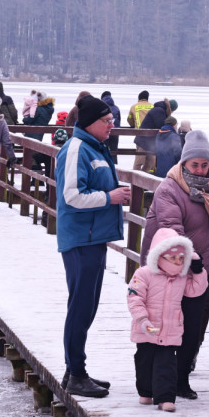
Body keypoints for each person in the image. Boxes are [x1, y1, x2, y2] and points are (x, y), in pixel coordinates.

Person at [55, 95, 130, 398]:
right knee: (81, 306)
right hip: (80, 239)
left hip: (93, 238)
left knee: (87, 306)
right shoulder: (75, 149)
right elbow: (71, 196)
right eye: (107, 120)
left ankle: (74, 368)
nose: (112, 125)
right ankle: (76, 373)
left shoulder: (94, 147)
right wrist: (110, 198)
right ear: (90, 123)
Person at [140, 129, 209, 400]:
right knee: (165, 327)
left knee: (192, 327)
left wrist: (208, 268)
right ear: (184, 163)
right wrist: (192, 260)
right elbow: (170, 230)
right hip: (168, 272)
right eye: (195, 164)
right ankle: (153, 382)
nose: (200, 169)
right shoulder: (169, 188)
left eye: (205, 164)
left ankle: (182, 379)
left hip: (198, 273)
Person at [128, 228, 208, 413]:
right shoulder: (144, 274)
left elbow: (196, 290)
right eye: (173, 259)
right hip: (147, 327)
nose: (178, 262)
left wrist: (198, 270)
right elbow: (134, 297)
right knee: (144, 360)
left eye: (182, 259)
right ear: (160, 255)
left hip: (171, 329)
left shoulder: (182, 277)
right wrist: (142, 319)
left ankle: (165, 398)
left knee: (167, 364)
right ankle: (146, 391)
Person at [135, 99, 175, 174]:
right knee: (138, 163)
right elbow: (160, 126)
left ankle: (142, 181)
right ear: (171, 109)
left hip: (150, 142)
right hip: (143, 140)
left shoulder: (161, 111)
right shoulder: (159, 111)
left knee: (150, 163)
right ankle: (133, 183)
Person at [128, 91, 154, 169]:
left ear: (139, 98)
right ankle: (147, 175)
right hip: (151, 135)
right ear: (147, 98)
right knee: (150, 158)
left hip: (140, 134)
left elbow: (130, 119)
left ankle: (135, 175)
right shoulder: (152, 106)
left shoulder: (134, 107)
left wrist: (133, 125)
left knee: (139, 159)